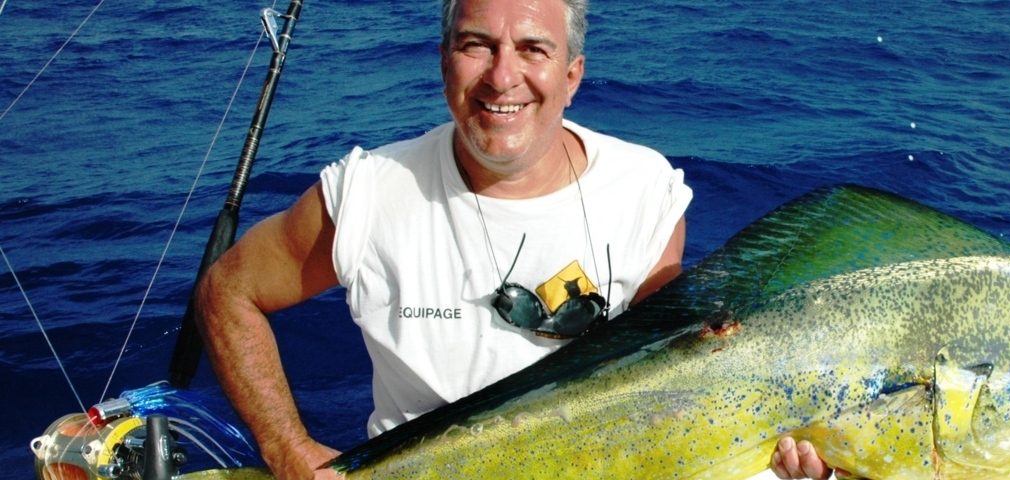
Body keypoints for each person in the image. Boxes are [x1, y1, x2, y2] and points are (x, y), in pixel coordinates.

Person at [196, 0, 830, 478]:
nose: (503, 78)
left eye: (533, 49)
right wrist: (287, 448)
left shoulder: (646, 189)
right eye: (477, 45)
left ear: (572, 73)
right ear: (444, 60)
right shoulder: (366, 192)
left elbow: (669, 367)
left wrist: (799, 443)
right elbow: (229, 290)